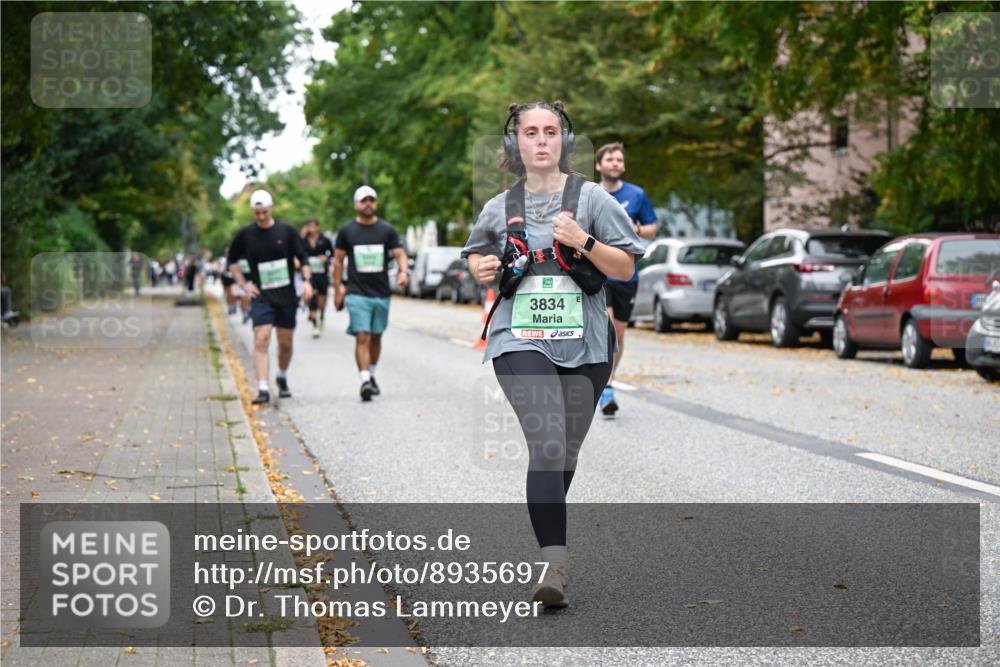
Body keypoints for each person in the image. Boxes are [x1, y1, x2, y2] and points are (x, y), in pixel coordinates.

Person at [463, 102, 644, 608]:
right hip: (518, 337)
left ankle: (550, 535)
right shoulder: (499, 207)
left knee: (564, 451)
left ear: (564, 140)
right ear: (515, 143)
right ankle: (554, 565)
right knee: (546, 442)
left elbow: (626, 268)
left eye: (550, 132)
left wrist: (583, 240)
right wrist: (481, 267)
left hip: (586, 343)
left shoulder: (592, 199)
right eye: (530, 133)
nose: (541, 141)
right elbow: (477, 254)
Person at [227, 189, 313, 405]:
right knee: (262, 337)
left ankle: (282, 375)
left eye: (264, 212)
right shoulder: (246, 234)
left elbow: (303, 258)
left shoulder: (286, 231)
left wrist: (307, 282)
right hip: (262, 296)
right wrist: (244, 284)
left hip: (286, 297)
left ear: (271, 208)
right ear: (252, 212)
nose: (261, 217)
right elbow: (232, 261)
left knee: (285, 342)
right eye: (257, 213)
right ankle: (263, 388)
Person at [594, 142, 657, 417]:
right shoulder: (590, 194)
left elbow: (653, 229)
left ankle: (609, 380)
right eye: (610, 159)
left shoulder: (637, 194)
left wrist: (638, 229)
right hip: (597, 272)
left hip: (627, 274)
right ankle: (603, 382)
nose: (616, 163)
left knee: (619, 332)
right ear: (599, 165)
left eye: (620, 159)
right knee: (606, 326)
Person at [332, 186, 409, 401]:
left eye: (371, 200)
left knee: (376, 336)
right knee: (362, 335)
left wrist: (404, 271)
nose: (368, 204)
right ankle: (364, 379)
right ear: (356, 204)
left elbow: (400, 254)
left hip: (381, 293)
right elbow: (337, 261)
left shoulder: (386, 230)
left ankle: (372, 373)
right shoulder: (347, 231)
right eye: (364, 200)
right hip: (356, 293)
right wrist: (337, 288)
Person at [301, 219, 334, 338]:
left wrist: (326, 258)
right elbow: (298, 253)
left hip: (322, 274)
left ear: (317, 227)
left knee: (321, 300)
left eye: (313, 226)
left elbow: (332, 253)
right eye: (309, 226)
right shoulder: (303, 241)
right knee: (311, 297)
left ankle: (322, 316)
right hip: (309, 275)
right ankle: (315, 325)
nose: (311, 228)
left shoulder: (325, 240)